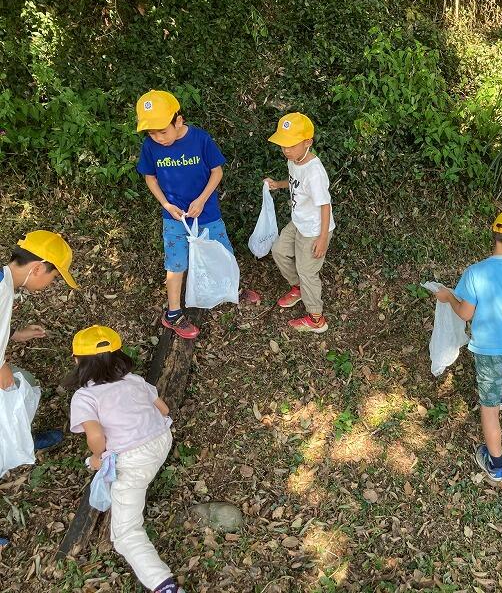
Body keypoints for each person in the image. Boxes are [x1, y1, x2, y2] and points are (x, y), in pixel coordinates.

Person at [136, 90, 258, 341]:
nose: (158, 138)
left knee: (223, 251)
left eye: (162, 131)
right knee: (175, 263)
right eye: (151, 133)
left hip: (207, 212)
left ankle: (231, 289)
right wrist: (167, 205)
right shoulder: (150, 146)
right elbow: (150, 178)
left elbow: (217, 172)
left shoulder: (200, 139)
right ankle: (173, 314)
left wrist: (202, 200)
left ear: (178, 120)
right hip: (175, 217)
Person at [67, 325, 180, 593]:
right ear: (120, 356)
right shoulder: (135, 380)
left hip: (133, 461)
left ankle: (163, 585)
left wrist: (98, 458)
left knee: (126, 535)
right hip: (161, 441)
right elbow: (164, 409)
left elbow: (95, 436)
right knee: (136, 469)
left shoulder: (84, 396)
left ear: (77, 362)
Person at [435, 209, 502, 483]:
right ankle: (500, 388)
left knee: (489, 407)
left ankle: (496, 464)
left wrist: (448, 297)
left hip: (489, 352)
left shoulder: (475, 273)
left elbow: (466, 314)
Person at [0, 230, 79, 548]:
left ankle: (19, 439)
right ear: (37, 267)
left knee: (21, 394)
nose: (52, 285)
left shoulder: (7, 285)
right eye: (54, 277)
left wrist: (15, 335)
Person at [265, 112, 335, 333]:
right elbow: (296, 183)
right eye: (283, 145)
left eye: (291, 145)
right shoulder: (294, 160)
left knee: (308, 271)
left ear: (308, 142)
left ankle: (316, 319)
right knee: (278, 250)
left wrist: (322, 238)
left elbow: (325, 205)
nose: (286, 150)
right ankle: (298, 288)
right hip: (299, 223)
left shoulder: (314, 172)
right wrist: (278, 184)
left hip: (314, 230)